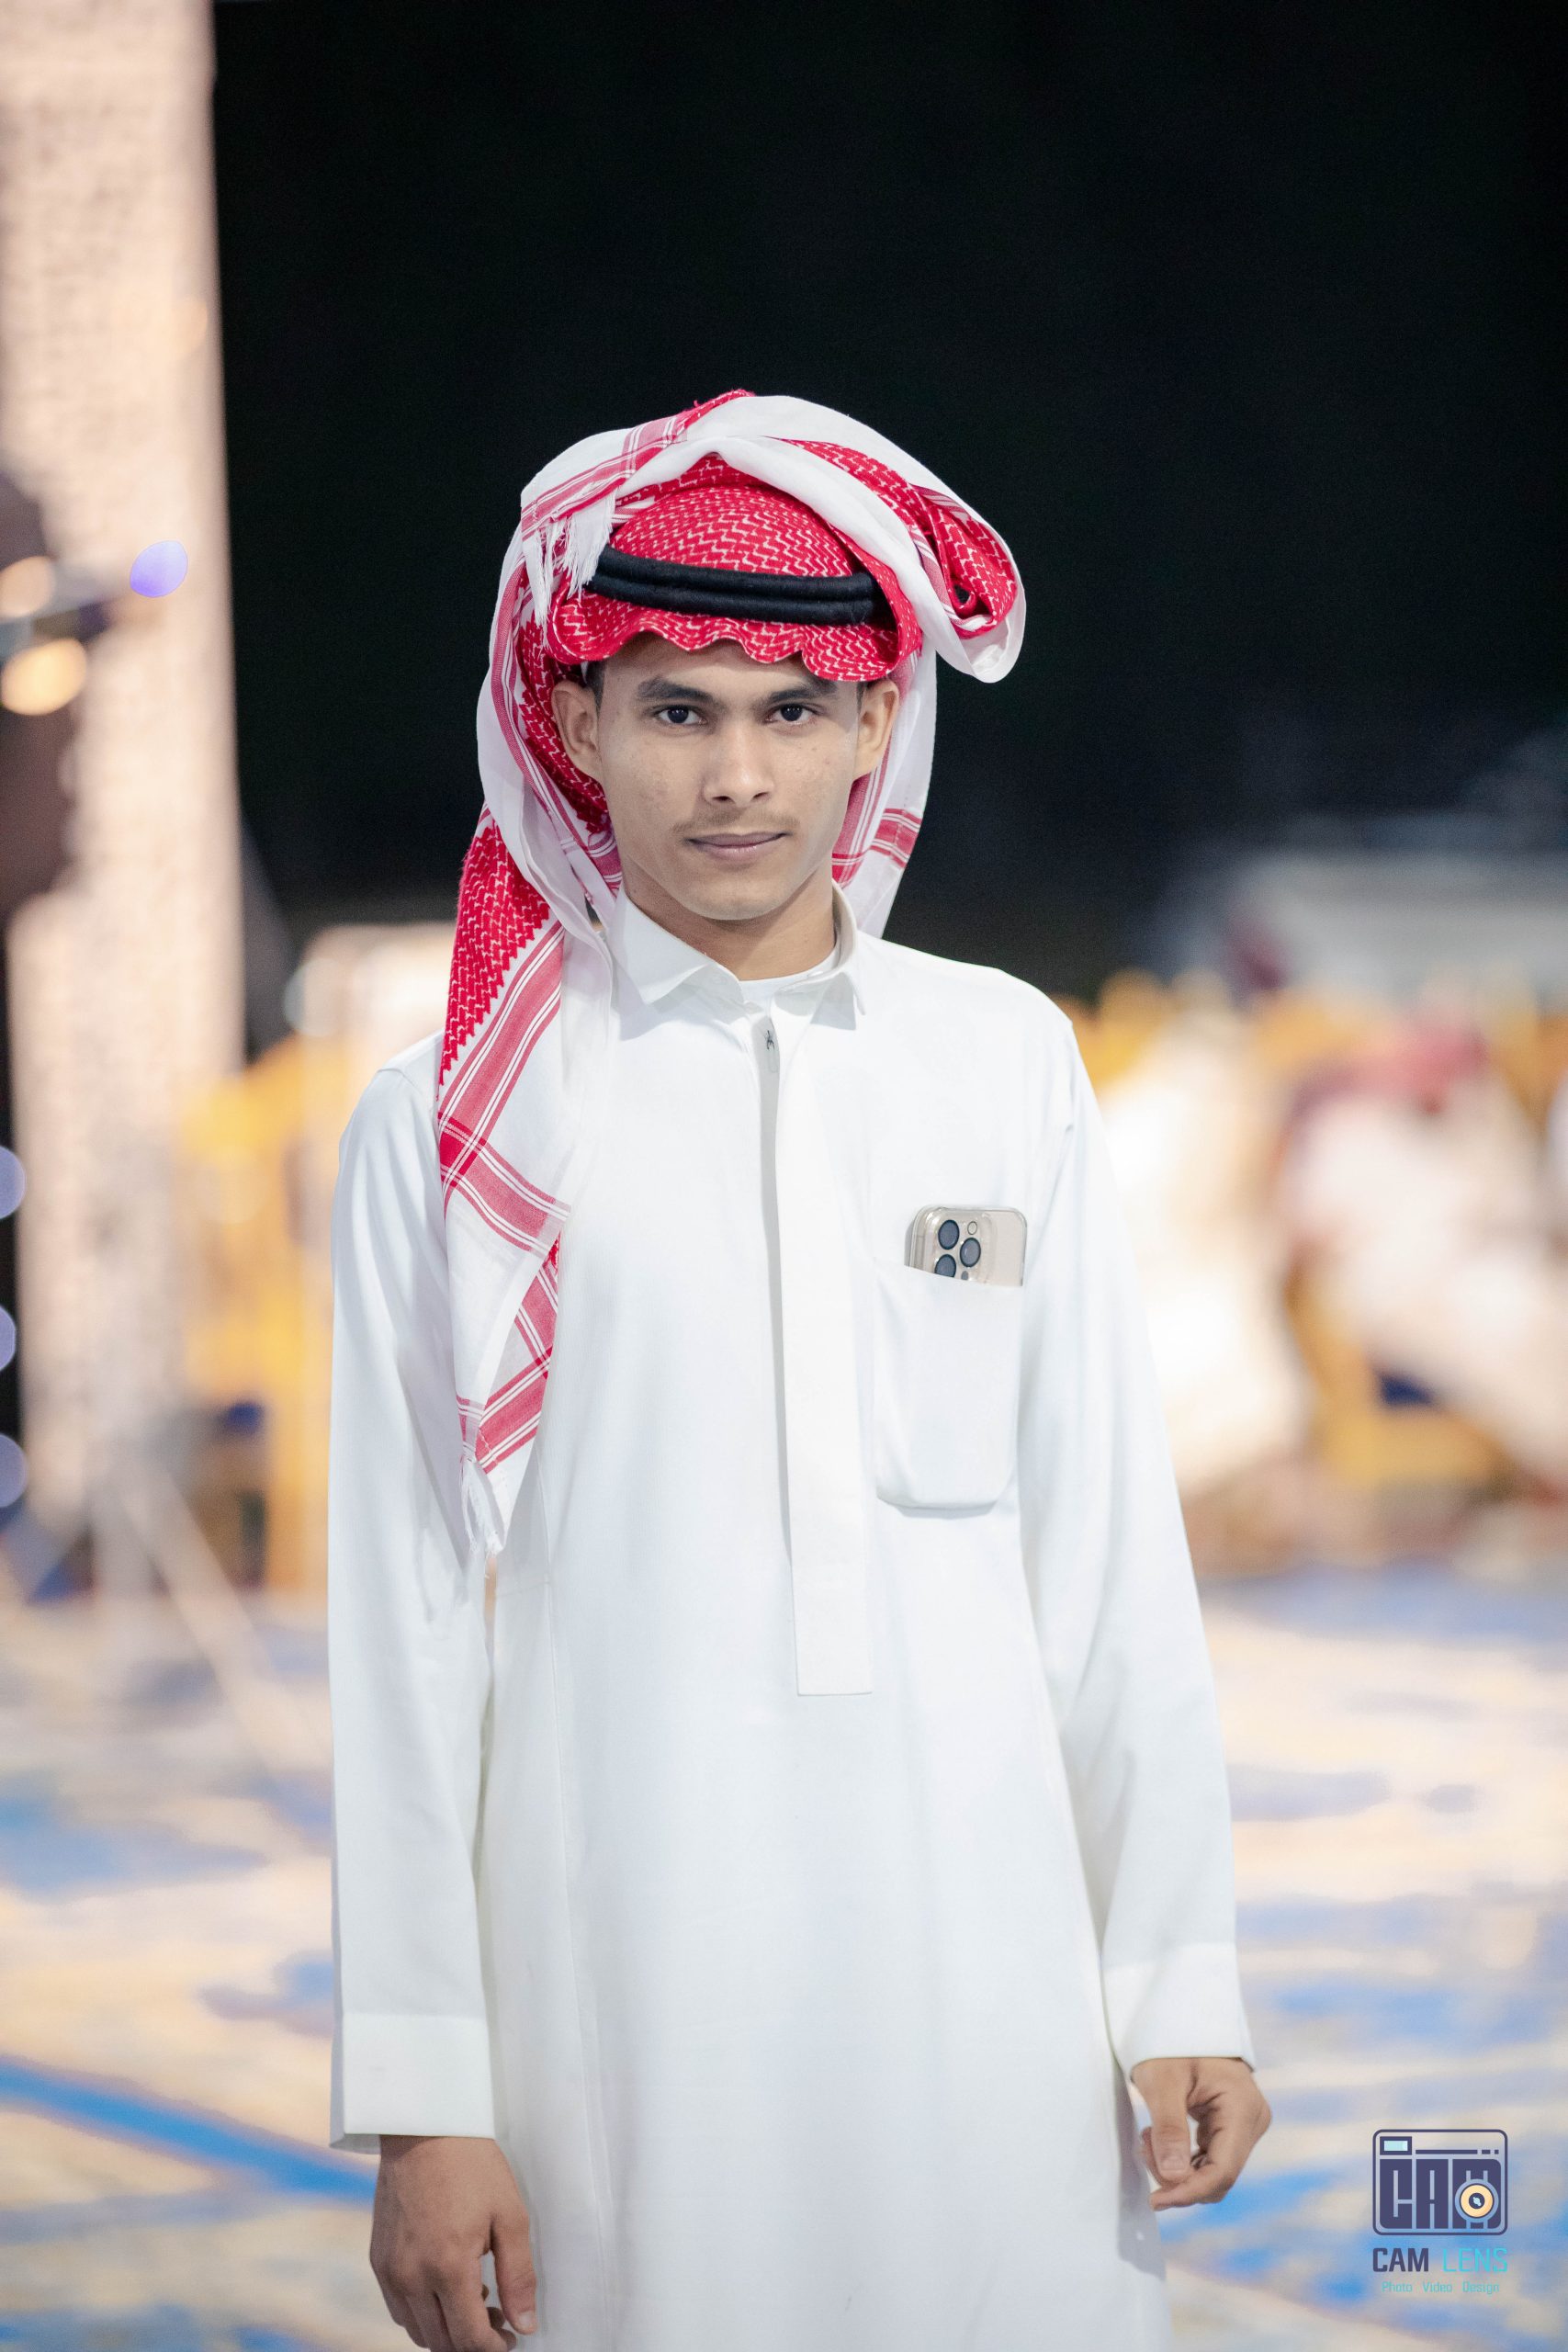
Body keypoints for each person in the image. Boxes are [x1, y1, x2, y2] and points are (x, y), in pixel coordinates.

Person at [327, 390, 1269, 2352]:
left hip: (990, 1965)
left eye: (792, 709)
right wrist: (423, 2100)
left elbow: (1103, 1554)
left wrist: (1177, 1975)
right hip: (623, 1988)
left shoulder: (998, 1058)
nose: (738, 775)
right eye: (677, 709)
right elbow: (402, 1626)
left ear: (874, 726)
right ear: (576, 721)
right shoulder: (462, 1117)